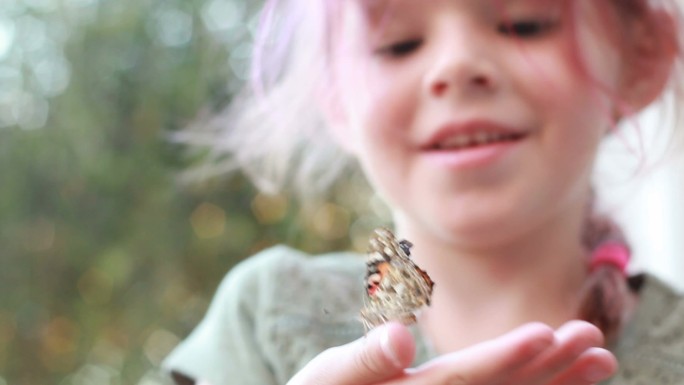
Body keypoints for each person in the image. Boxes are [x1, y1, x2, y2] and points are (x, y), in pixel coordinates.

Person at [163, 0, 684, 384]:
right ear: (335, 98)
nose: (455, 66)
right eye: (398, 44)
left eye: (524, 23)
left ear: (641, 59)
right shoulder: (265, 320)